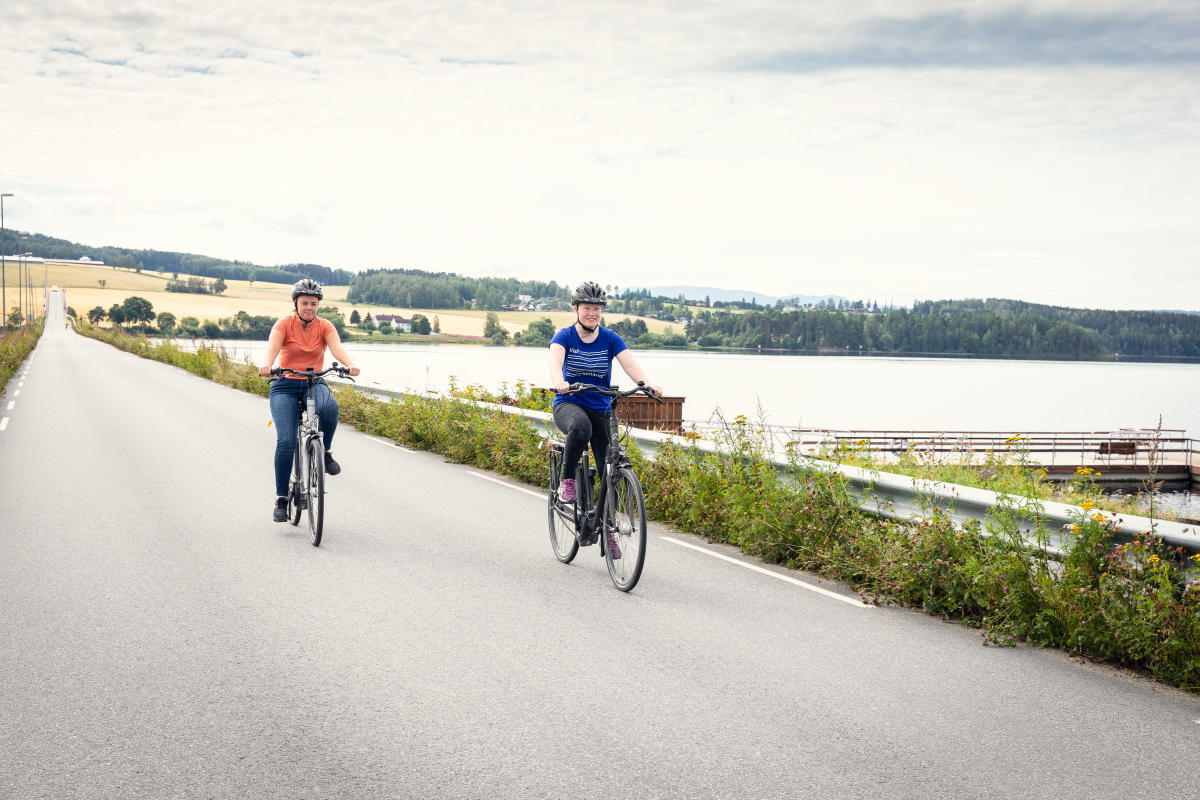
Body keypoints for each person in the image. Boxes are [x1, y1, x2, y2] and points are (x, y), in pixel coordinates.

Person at [548, 281, 662, 532]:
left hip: (601, 407)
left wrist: (646, 384)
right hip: (569, 403)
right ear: (575, 309)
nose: (592, 313)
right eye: (587, 307)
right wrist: (560, 382)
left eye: (597, 308)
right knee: (580, 428)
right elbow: (555, 361)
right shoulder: (564, 336)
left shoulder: (610, 339)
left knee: (610, 470)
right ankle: (567, 481)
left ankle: (607, 530)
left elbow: (629, 363)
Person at [259, 279, 360, 522]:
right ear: (295, 304)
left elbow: (336, 348)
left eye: (313, 304)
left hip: (314, 382)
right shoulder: (284, 323)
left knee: (329, 408)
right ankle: (281, 498)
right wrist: (267, 365)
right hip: (284, 384)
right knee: (285, 441)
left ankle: (325, 452)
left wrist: (350, 364)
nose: (309, 308)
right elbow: (273, 347)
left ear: (318, 305)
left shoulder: (325, 326)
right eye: (304, 303)